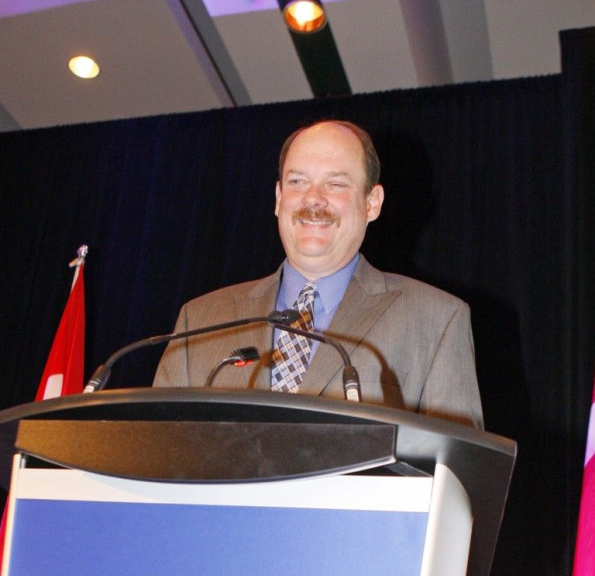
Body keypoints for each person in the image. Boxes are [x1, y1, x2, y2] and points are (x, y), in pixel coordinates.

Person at [154, 120, 483, 428]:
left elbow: (454, 474)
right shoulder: (198, 321)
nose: (313, 198)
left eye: (336, 183)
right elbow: (158, 458)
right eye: (297, 181)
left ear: (372, 203)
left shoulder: (436, 319)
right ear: (279, 198)